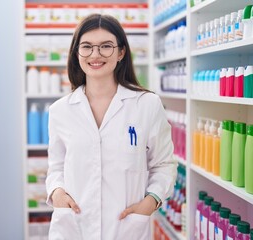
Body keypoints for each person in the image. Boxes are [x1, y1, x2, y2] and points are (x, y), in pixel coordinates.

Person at [45, 13, 177, 240]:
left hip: (126, 228)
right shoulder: (60, 110)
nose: (95, 55)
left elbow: (164, 164)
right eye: (86, 47)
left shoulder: (146, 104)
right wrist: (57, 192)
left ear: (121, 52)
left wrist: (151, 200)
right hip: (74, 228)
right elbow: (56, 166)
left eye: (106, 46)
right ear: (77, 53)